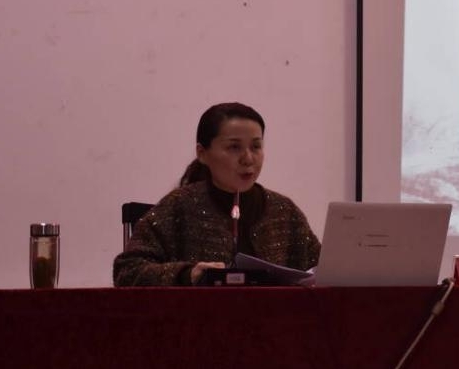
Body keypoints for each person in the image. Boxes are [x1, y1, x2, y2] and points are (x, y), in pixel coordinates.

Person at [113, 102, 320, 286]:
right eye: (234, 147)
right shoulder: (178, 206)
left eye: (256, 146)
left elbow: (322, 270)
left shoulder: (284, 211)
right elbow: (127, 271)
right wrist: (187, 274)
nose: (248, 158)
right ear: (202, 153)